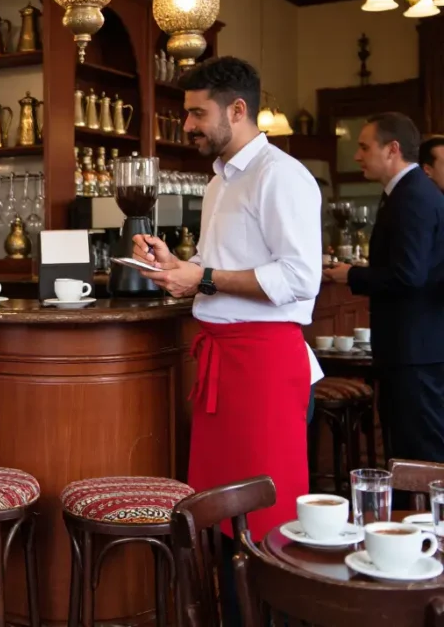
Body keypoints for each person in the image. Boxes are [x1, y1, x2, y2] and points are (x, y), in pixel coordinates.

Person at [131, 57, 323, 623]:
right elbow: (228, 271)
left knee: (266, 523)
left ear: (238, 110)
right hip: (222, 363)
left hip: (264, 367)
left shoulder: (282, 176)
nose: (186, 125)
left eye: (197, 113)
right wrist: (182, 268)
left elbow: (298, 278)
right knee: (218, 518)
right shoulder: (220, 179)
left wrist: (204, 278)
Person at [324, 113, 444, 463]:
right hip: (415, 347)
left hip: (415, 351)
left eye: (364, 147)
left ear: (392, 150)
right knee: (412, 451)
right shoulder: (408, 193)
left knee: (419, 456)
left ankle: (422, 518)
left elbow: (408, 275)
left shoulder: (412, 197)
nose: (357, 156)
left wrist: (352, 275)